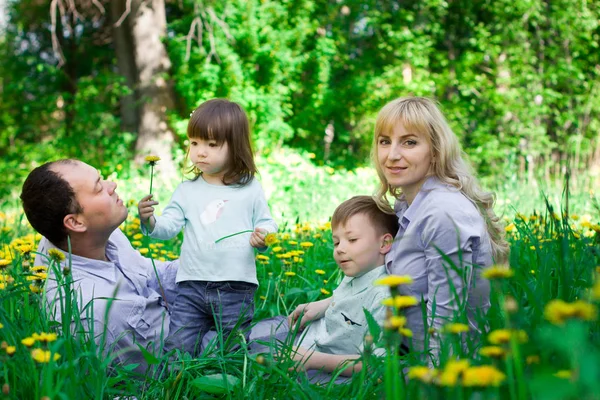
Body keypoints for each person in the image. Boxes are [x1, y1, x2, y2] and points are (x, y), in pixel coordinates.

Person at [372, 96, 509, 361]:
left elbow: (446, 327)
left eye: (409, 142)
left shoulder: (442, 213)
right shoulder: (408, 202)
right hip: (398, 349)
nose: (392, 155)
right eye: (384, 141)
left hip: (435, 368)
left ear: (435, 150)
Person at [137, 99, 278, 357]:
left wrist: (264, 235)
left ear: (235, 147)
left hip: (236, 287)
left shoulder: (250, 188)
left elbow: (266, 221)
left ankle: (232, 387)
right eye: (194, 143)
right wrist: (150, 221)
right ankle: (174, 389)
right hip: (191, 285)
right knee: (178, 346)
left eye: (212, 145)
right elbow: (167, 228)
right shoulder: (187, 190)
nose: (200, 152)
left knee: (233, 348)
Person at [21, 159, 179, 373]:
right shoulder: (98, 313)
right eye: (98, 187)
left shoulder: (87, 234)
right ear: (75, 223)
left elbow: (149, 273)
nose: (112, 185)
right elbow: (176, 360)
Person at [287, 196, 399, 376]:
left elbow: (375, 365)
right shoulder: (359, 271)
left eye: (352, 239)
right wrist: (324, 305)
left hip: (335, 367)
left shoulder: (384, 299)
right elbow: (349, 299)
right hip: (314, 340)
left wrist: (310, 359)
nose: (339, 249)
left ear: (384, 243)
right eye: (336, 242)